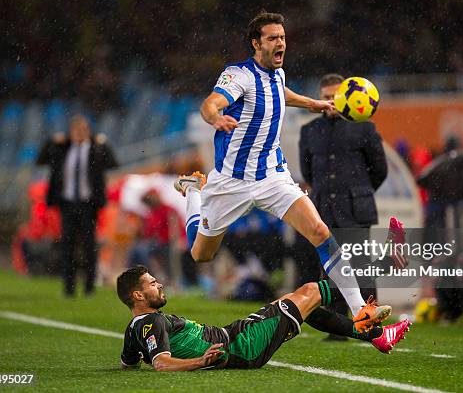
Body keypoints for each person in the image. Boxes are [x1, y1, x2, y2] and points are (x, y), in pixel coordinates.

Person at [174, 11, 403, 332]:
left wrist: (316, 104)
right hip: (231, 181)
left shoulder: (277, 76)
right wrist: (215, 118)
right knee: (201, 254)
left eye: (282, 37)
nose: (280, 42)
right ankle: (194, 193)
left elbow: (281, 94)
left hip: (272, 177)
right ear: (256, 44)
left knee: (320, 232)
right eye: (272, 38)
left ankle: (359, 310)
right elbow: (210, 103)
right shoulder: (238, 75)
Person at [117, 265, 411, 371]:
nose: (160, 285)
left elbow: (128, 362)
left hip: (234, 334)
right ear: (138, 296)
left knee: (303, 306)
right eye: (152, 284)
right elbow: (160, 363)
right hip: (242, 347)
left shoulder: (135, 329)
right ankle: (386, 263)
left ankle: (377, 336)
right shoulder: (150, 322)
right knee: (310, 291)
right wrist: (199, 361)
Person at [298, 73, 388, 340]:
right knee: (329, 269)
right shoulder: (309, 130)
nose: (331, 102)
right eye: (326, 98)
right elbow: (308, 173)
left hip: (356, 211)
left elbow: (379, 170)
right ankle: (339, 328)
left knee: (362, 267)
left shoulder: (365, 128)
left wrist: (356, 193)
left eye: (335, 96)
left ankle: (371, 323)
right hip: (323, 210)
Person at [36, 114, 118, 297]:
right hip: (67, 204)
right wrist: (51, 141)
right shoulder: (63, 149)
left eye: (84, 130)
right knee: (68, 246)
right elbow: (40, 160)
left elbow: (113, 163)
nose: (80, 134)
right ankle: (69, 288)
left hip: (89, 205)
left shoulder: (96, 148)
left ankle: (89, 288)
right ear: (70, 132)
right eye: (76, 130)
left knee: (89, 247)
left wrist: (103, 143)